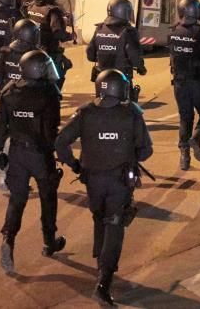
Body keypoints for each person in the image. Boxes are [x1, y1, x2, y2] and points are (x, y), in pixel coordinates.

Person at [56, 69, 153, 307]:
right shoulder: (131, 113)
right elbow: (146, 150)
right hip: (119, 181)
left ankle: (100, 260)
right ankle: (104, 282)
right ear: (120, 89)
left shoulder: (85, 113)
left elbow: (60, 142)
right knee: (115, 224)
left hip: (92, 180)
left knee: (99, 218)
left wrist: (75, 165)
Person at [0, 50, 65, 274]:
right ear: (38, 69)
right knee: (48, 197)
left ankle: (8, 239)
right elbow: (52, 129)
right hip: (40, 154)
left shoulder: (9, 91)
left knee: (17, 199)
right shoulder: (49, 93)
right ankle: (49, 241)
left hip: (17, 153)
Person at [167, 0, 200, 171]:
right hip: (198, 83)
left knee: (185, 119)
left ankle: (184, 156)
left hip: (179, 84)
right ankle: (196, 138)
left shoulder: (173, 31)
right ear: (196, 11)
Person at [24, 0, 74, 90]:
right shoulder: (53, 11)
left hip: (33, 48)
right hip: (49, 51)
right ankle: (54, 96)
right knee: (60, 73)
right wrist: (70, 36)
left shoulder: (31, 7)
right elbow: (57, 33)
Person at [87, 0, 146, 87]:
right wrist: (141, 67)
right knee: (130, 97)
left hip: (101, 77)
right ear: (124, 12)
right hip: (121, 77)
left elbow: (90, 55)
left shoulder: (99, 29)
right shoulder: (128, 31)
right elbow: (134, 56)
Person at [0, 19, 56, 94]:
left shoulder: (5, 51)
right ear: (33, 35)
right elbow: (53, 80)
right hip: (30, 97)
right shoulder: (39, 54)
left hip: (9, 95)